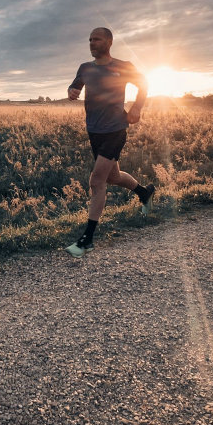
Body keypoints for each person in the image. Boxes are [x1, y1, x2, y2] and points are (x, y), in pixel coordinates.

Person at [65, 27, 155, 257]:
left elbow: (144, 85)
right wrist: (72, 91)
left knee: (96, 180)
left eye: (96, 39)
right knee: (113, 177)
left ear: (109, 42)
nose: (91, 43)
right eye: (89, 39)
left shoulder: (123, 66)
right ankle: (144, 193)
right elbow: (75, 86)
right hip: (94, 131)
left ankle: (87, 239)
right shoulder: (85, 68)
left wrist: (136, 107)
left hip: (116, 128)